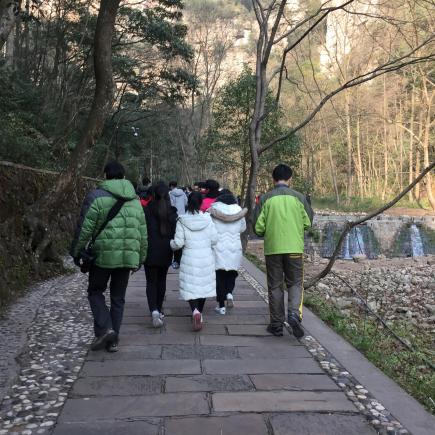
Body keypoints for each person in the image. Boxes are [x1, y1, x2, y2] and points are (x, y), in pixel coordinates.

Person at [71, 161, 148, 352]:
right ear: (123, 176)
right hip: (127, 258)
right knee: (118, 298)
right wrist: (141, 258)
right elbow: (143, 233)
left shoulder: (96, 196)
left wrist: (76, 251)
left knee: (95, 292)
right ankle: (113, 340)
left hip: (102, 256)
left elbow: (84, 229)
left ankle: (105, 329)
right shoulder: (135, 200)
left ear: (105, 175)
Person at [254, 164, 313, 338]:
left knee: (275, 286)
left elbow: (258, 227)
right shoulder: (299, 198)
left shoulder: (265, 198)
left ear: (273, 180)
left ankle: (276, 324)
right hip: (294, 248)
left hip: (273, 249)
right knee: (295, 283)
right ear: (290, 179)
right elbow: (308, 222)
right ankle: (294, 313)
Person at [170, 192, 218, 331]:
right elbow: (214, 240)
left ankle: (195, 311)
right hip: (206, 258)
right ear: (201, 203)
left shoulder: (182, 220)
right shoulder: (208, 219)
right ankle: (200, 313)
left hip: (189, 258)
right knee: (202, 287)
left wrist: (170, 243)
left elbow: (178, 243)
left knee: (191, 287)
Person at [144, 183, 178, 328]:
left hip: (150, 250)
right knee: (162, 280)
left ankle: (154, 311)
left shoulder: (146, 210)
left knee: (151, 281)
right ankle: (159, 308)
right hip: (166, 250)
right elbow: (176, 234)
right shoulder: (172, 212)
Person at [209, 192, 247, 314]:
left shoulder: (213, 210)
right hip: (234, 246)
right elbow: (243, 228)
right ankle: (229, 293)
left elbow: (209, 228)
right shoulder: (239, 211)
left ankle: (221, 306)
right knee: (231, 272)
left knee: (219, 276)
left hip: (218, 247)